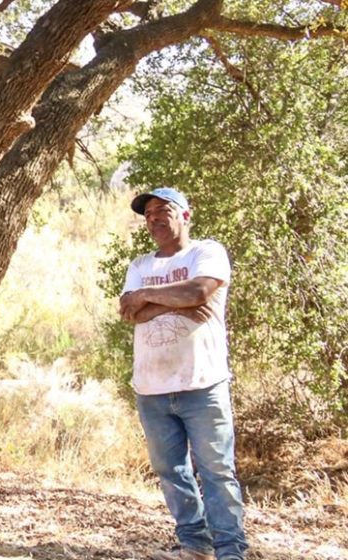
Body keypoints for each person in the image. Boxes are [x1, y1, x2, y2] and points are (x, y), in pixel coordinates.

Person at [118, 187, 247, 560]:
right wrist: (173, 302)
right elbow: (130, 312)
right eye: (148, 214)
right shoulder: (140, 265)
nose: (154, 218)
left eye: (163, 210)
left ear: (185, 215)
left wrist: (150, 297)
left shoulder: (206, 252)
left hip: (202, 383)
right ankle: (195, 545)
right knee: (170, 471)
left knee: (217, 471)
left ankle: (230, 551)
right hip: (152, 387)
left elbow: (200, 290)